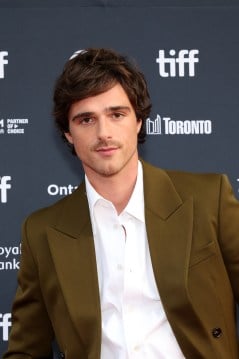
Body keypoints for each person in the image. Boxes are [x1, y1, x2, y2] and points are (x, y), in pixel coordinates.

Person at [3, 48, 239, 359]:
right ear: (67, 133)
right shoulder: (43, 232)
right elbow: (26, 350)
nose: (104, 133)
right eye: (86, 119)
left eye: (116, 114)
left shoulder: (207, 200)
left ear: (139, 120)